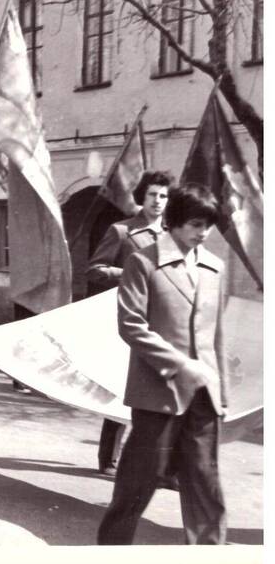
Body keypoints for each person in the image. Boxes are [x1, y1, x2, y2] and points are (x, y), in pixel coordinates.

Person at [97, 183, 228, 545]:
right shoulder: (143, 262)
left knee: (206, 488)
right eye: (196, 225)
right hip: (158, 395)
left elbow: (216, 337)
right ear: (174, 222)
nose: (203, 233)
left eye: (208, 226)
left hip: (205, 397)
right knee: (136, 487)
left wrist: (223, 394)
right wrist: (179, 365)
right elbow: (132, 326)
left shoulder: (214, 267)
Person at [87, 170, 172, 476]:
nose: (158, 201)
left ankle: (162, 468)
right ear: (142, 197)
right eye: (153, 195)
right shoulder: (122, 231)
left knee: (164, 390)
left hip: (163, 320)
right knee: (122, 385)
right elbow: (95, 270)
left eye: (163, 196)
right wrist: (129, 273)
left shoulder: (171, 235)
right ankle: (109, 457)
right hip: (130, 317)